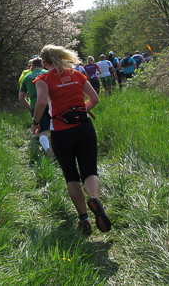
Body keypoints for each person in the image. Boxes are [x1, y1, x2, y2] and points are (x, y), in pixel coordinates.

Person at [32, 45, 111, 235]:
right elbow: (95, 99)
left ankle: (84, 219)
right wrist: (82, 110)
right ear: (62, 57)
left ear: (45, 63)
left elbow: (41, 102)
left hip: (61, 131)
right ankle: (94, 198)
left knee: (71, 176)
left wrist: (35, 123)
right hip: (84, 127)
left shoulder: (43, 79)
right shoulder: (77, 74)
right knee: (90, 171)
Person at [19, 57, 53, 157]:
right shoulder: (48, 73)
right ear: (42, 65)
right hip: (51, 103)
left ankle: (47, 149)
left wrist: (30, 107)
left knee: (43, 131)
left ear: (32, 67)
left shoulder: (26, 77)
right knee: (57, 127)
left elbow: (21, 98)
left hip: (36, 104)